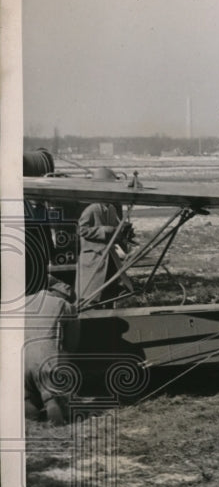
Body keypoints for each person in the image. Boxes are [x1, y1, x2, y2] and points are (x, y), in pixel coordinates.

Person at [75, 167, 135, 308]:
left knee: (108, 288)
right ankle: (90, 311)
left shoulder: (112, 209)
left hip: (108, 257)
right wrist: (103, 230)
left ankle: (106, 309)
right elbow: (81, 230)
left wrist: (123, 232)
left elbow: (115, 230)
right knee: (90, 292)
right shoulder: (92, 209)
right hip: (94, 258)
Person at [24, 276, 78, 425]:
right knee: (51, 395)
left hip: (22, 352)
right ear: (65, 295)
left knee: (26, 394)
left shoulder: (26, 301)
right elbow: (72, 341)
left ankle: (34, 422)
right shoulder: (64, 305)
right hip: (45, 353)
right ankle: (59, 426)